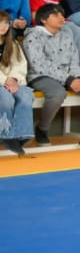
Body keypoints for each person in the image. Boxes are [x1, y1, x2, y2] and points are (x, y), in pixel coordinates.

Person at [25, 3, 80, 150]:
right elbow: (38, 65)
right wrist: (69, 80)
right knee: (57, 93)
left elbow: (74, 62)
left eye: (62, 15)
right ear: (44, 19)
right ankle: (42, 129)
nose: (61, 18)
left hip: (68, 76)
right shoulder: (33, 36)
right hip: (41, 76)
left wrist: (79, 77)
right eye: (55, 15)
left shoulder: (66, 36)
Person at [0, 9, 35, 156]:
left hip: (12, 81)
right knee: (6, 99)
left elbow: (20, 64)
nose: (3, 26)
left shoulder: (12, 44)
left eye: (6, 23)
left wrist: (14, 78)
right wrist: (5, 80)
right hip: (2, 82)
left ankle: (22, 135)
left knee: (25, 97)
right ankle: (5, 135)